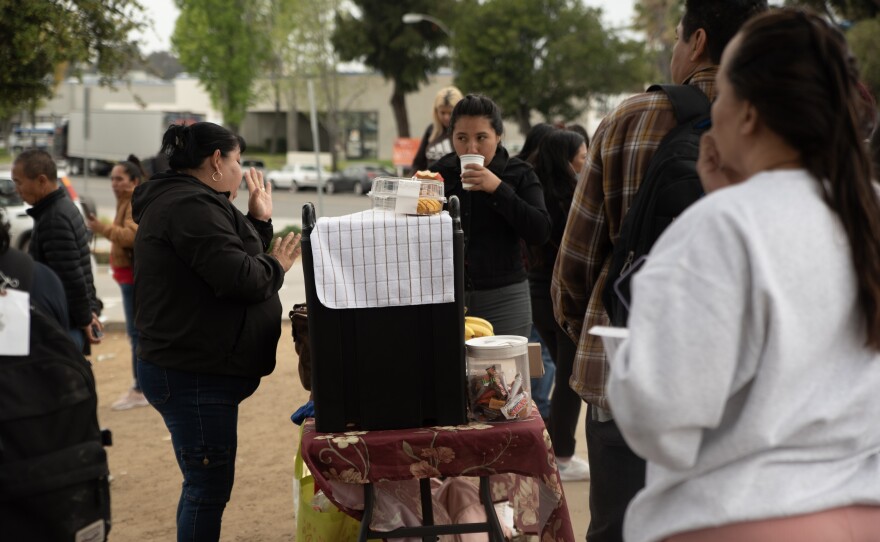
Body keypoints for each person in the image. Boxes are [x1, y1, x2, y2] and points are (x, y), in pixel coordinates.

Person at [607, 8, 880, 541]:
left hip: (738, 517)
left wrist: (629, 362)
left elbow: (663, 419)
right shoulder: (866, 211)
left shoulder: (720, 229)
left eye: (723, 93)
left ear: (749, 114)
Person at [551, 1, 768, 540]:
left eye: (677, 38)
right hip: (739, 385)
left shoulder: (630, 119)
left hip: (626, 376)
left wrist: (596, 338)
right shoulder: (781, 123)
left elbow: (574, 264)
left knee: (618, 528)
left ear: (696, 41)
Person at [132, 122, 302, 541]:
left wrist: (258, 221)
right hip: (191, 371)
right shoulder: (189, 206)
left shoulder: (194, 201)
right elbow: (240, 278)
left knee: (205, 484)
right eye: (237, 161)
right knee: (206, 487)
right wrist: (276, 265)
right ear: (215, 161)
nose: (240, 171)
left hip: (197, 366)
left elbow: (227, 254)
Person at [430, 94, 551, 338]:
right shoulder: (440, 173)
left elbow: (540, 231)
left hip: (505, 297)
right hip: (446, 294)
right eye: (461, 138)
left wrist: (498, 189)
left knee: (502, 376)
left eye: (481, 138)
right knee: (447, 374)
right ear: (451, 136)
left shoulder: (519, 173)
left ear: (498, 135)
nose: (471, 148)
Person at [528, 129, 590, 482]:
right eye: (582, 156)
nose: (586, 161)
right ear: (567, 161)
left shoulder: (537, 195)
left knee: (566, 375)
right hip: (564, 298)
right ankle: (562, 456)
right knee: (570, 379)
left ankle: (555, 448)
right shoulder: (573, 200)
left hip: (537, 299)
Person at [12, 149, 103, 351]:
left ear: (42, 181)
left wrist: (85, 318)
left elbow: (71, 277)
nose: (17, 189)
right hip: (68, 323)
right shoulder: (64, 207)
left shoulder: (54, 219)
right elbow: (82, 268)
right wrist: (90, 311)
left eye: (19, 182)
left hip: (63, 327)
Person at [86, 155, 148, 411]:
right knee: (137, 334)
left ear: (133, 180)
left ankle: (140, 388)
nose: (114, 183)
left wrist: (101, 228)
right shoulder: (125, 200)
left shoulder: (133, 200)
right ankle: (141, 385)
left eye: (119, 179)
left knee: (136, 334)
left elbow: (132, 237)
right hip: (127, 277)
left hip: (133, 278)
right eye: (112, 178)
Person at [411, 86, 464, 172]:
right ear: (436, 111)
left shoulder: (465, 133)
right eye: (442, 112)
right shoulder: (431, 130)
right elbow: (418, 164)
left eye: (450, 113)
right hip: (430, 182)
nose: (446, 117)